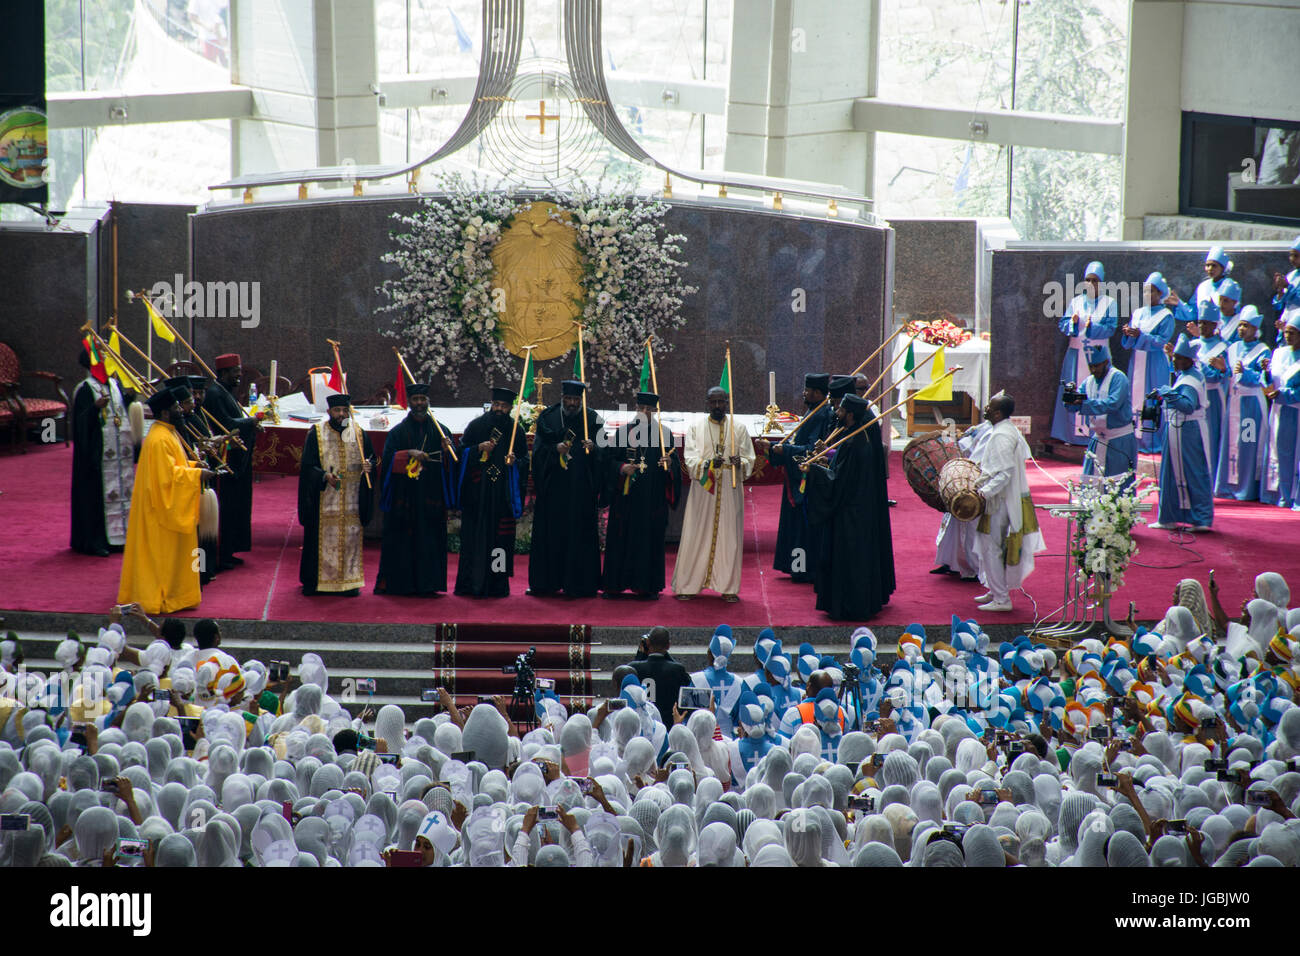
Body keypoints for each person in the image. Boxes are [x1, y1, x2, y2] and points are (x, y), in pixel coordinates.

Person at [117, 387, 212, 614]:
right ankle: (160, 597)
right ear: (166, 413)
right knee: (162, 558)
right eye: (177, 407)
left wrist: (193, 466)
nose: (182, 410)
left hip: (161, 506)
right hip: (158, 513)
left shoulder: (167, 432)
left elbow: (173, 467)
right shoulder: (159, 439)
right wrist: (197, 475)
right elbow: (166, 479)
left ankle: (178, 596)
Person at [803, 393, 894, 620]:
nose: (837, 413)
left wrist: (814, 471)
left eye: (841, 410)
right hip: (857, 511)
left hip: (851, 514)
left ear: (850, 414)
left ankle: (849, 606)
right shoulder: (857, 436)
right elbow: (841, 471)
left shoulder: (856, 442)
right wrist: (826, 463)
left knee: (850, 561)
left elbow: (838, 481)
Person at [671, 387, 755, 603]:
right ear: (707, 403)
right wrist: (708, 464)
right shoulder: (696, 428)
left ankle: (727, 586)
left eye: (721, 402)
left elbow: (749, 459)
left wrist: (741, 462)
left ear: (727, 402)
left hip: (730, 487)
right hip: (704, 488)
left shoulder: (739, 428)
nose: (718, 406)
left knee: (729, 538)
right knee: (696, 533)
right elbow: (689, 459)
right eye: (713, 402)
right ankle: (688, 584)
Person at [374, 384, 458, 595]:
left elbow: (453, 464)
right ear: (409, 403)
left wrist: (448, 451)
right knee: (402, 541)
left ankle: (428, 585)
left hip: (431, 498)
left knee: (430, 541)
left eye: (423, 399)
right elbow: (386, 464)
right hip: (405, 499)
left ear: (428, 401)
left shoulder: (441, 431)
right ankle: (401, 584)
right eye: (415, 399)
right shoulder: (398, 432)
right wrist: (408, 454)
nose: (419, 403)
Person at [601, 391, 681, 598]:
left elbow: (675, 466)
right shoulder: (622, 433)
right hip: (625, 500)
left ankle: (647, 586)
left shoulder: (664, 435)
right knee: (621, 539)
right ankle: (614, 585)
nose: (644, 412)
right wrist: (621, 468)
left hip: (651, 500)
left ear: (655, 411)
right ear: (635, 409)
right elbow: (608, 462)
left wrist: (670, 466)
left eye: (649, 410)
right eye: (640, 408)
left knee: (648, 540)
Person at [755, 373, 833, 582]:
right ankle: (794, 566)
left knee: (802, 529)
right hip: (796, 477)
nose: (803, 393)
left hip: (806, 482)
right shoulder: (814, 410)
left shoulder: (822, 414)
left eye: (807, 390)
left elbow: (811, 450)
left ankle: (802, 569)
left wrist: (780, 450)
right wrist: (774, 449)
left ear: (817, 392)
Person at [529, 380, 603, 598]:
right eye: (568, 399)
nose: (571, 403)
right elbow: (538, 451)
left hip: (580, 490)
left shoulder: (592, 419)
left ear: (581, 399)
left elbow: (605, 452)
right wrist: (555, 449)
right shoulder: (548, 417)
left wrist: (594, 448)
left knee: (579, 535)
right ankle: (546, 583)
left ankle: (581, 584)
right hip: (554, 490)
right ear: (562, 397)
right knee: (551, 534)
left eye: (575, 400)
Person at [972, 392, 1044, 612]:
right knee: (991, 545)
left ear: (997, 413)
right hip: (1002, 498)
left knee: (991, 546)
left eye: (989, 406)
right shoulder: (1007, 430)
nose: (984, 408)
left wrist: (982, 493)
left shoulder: (1002, 435)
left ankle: (1002, 598)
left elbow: (1003, 474)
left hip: (1000, 500)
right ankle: (996, 590)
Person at [297, 393, 375, 596]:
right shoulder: (317, 433)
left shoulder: (358, 433)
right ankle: (316, 583)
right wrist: (324, 476)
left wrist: (369, 466)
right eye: (337, 411)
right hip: (323, 501)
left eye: (344, 410)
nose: (341, 414)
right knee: (318, 540)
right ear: (329, 411)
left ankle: (348, 582)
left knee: (350, 539)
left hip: (351, 501)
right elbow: (307, 467)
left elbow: (373, 459)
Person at [454, 387, 528, 597]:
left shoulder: (516, 431)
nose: (499, 409)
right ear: (491, 404)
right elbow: (460, 453)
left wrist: (515, 463)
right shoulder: (477, 426)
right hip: (478, 495)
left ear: (510, 408)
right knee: (473, 541)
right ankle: (469, 584)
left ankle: (497, 585)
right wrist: (477, 449)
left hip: (501, 497)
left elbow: (525, 461)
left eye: (504, 406)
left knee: (500, 543)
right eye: (496, 404)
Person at [70, 349, 138, 557]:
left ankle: (121, 537)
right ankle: (95, 540)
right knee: (97, 496)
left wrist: (129, 398)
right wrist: (94, 409)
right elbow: (80, 423)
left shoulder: (115, 386)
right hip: (97, 456)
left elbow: (122, 413)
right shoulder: (85, 389)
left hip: (120, 453)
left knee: (123, 492)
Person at [203, 354, 263, 572]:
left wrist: (249, 423)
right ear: (223, 373)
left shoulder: (225, 392)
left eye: (240, 370)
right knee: (227, 508)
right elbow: (225, 425)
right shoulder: (215, 394)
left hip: (237, 460)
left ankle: (231, 549)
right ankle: (223, 552)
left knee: (238, 506)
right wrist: (251, 422)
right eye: (235, 371)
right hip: (225, 459)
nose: (240, 375)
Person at [1150, 336, 1214, 531]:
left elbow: (1187, 406)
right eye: (1174, 357)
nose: (1174, 361)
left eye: (1178, 358)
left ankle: (1200, 518)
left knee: (1193, 472)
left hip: (1187, 430)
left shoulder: (1190, 380)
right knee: (1171, 472)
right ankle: (1170, 516)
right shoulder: (1189, 374)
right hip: (1178, 429)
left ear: (1188, 360)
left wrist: (1167, 393)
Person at [1052, 261, 1117, 446]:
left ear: (1101, 283)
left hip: (1098, 355)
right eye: (1087, 280)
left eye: (1095, 280)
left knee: (1098, 391)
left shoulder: (1109, 303)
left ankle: (1098, 432)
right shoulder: (1076, 302)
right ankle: (1070, 435)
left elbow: (1111, 328)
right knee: (1074, 388)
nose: (1090, 283)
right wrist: (1072, 323)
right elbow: (1063, 325)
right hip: (1076, 354)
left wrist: (1092, 327)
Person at [1121, 272, 1184, 454]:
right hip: (1138, 360)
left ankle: (1154, 441)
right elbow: (1130, 342)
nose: (1147, 295)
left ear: (1160, 294)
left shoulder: (1166, 316)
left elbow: (1161, 341)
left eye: (1152, 291)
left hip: (1155, 363)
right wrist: (1128, 334)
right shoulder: (1139, 313)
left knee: (1152, 399)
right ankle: (1135, 439)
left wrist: (1140, 335)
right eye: (1145, 291)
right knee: (1135, 398)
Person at [1216, 306, 1269, 500]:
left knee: (1247, 443)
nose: (1241, 329)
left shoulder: (1263, 350)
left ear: (1255, 329)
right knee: (1230, 442)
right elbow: (1230, 374)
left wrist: (1246, 373)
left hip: (1250, 405)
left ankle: (1245, 489)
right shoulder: (1232, 348)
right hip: (1234, 401)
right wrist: (1224, 370)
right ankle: (1227, 485)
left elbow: (1264, 378)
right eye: (1240, 325)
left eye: (1245, 326)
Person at [1063, 344, 1136, 485]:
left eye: (1097, 366)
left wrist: (1084, 404)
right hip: (1098, 438)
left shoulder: (1118, 378)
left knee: (1117, 484)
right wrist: (1071, 402)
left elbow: (1113, 404)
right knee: (1092, 484)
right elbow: (1077, 402)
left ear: (1106, 362)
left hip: (1119, 439)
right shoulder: (1088, 381)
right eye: (1090, 366)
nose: (1093, 370)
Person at [932, 420, 990, 579]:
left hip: (977, 483)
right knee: (953, 521)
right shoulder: (982, 427)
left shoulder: (994, 434)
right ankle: (951, 563)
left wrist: (955, 443)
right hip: (963, 480)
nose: (986, 410)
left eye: (991, 408)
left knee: (971, 527)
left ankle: (972, 568)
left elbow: (975, 456)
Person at [1194, 284, 1235, 478]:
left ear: (1215, 325)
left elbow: (1218, 375)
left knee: (1212, 436)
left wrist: (1203, 367)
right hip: (1194, 395)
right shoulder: (1192, 344)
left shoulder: (1223, 347)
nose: (1202, 326)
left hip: (1213, 397)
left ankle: (1211, 477)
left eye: (1207, 323)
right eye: (1200, 322)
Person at [1261, 314, 1300, 509]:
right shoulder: (1279, 353)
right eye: (1286, 332)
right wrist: (1266, 374)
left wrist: (1284, 395)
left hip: (1296, 411)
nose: (1288, 336)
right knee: (1281, 454)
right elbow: (1271, 381)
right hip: (1278, 411)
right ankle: (1283, 495)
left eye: (1293, 333)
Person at [629, 626, 691, 728]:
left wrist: (641, 653)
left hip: (642, 726)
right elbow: (688, 683)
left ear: (648, 643)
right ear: (668, 646)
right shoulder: (677, 669)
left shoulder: (634, 667)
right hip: (669, 725)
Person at [1195, 247, 1235, 339]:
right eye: (1207, 265)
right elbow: (1195, 311)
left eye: (1214, 265)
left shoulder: (1230, 286)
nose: (1210, 269)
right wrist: (1179, 304)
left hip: (1226, 334)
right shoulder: (1202, 287)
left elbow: (1232, 315)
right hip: (1204, 334)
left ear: (1223, 268)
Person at [1270, 236, 1300, 332]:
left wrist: (1288, 286)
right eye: (1291, 255)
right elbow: (1278, 306)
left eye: (1296, 256)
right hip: (1287, 328)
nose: (1292, 259)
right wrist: (1280, 291)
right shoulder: (1291, 276)